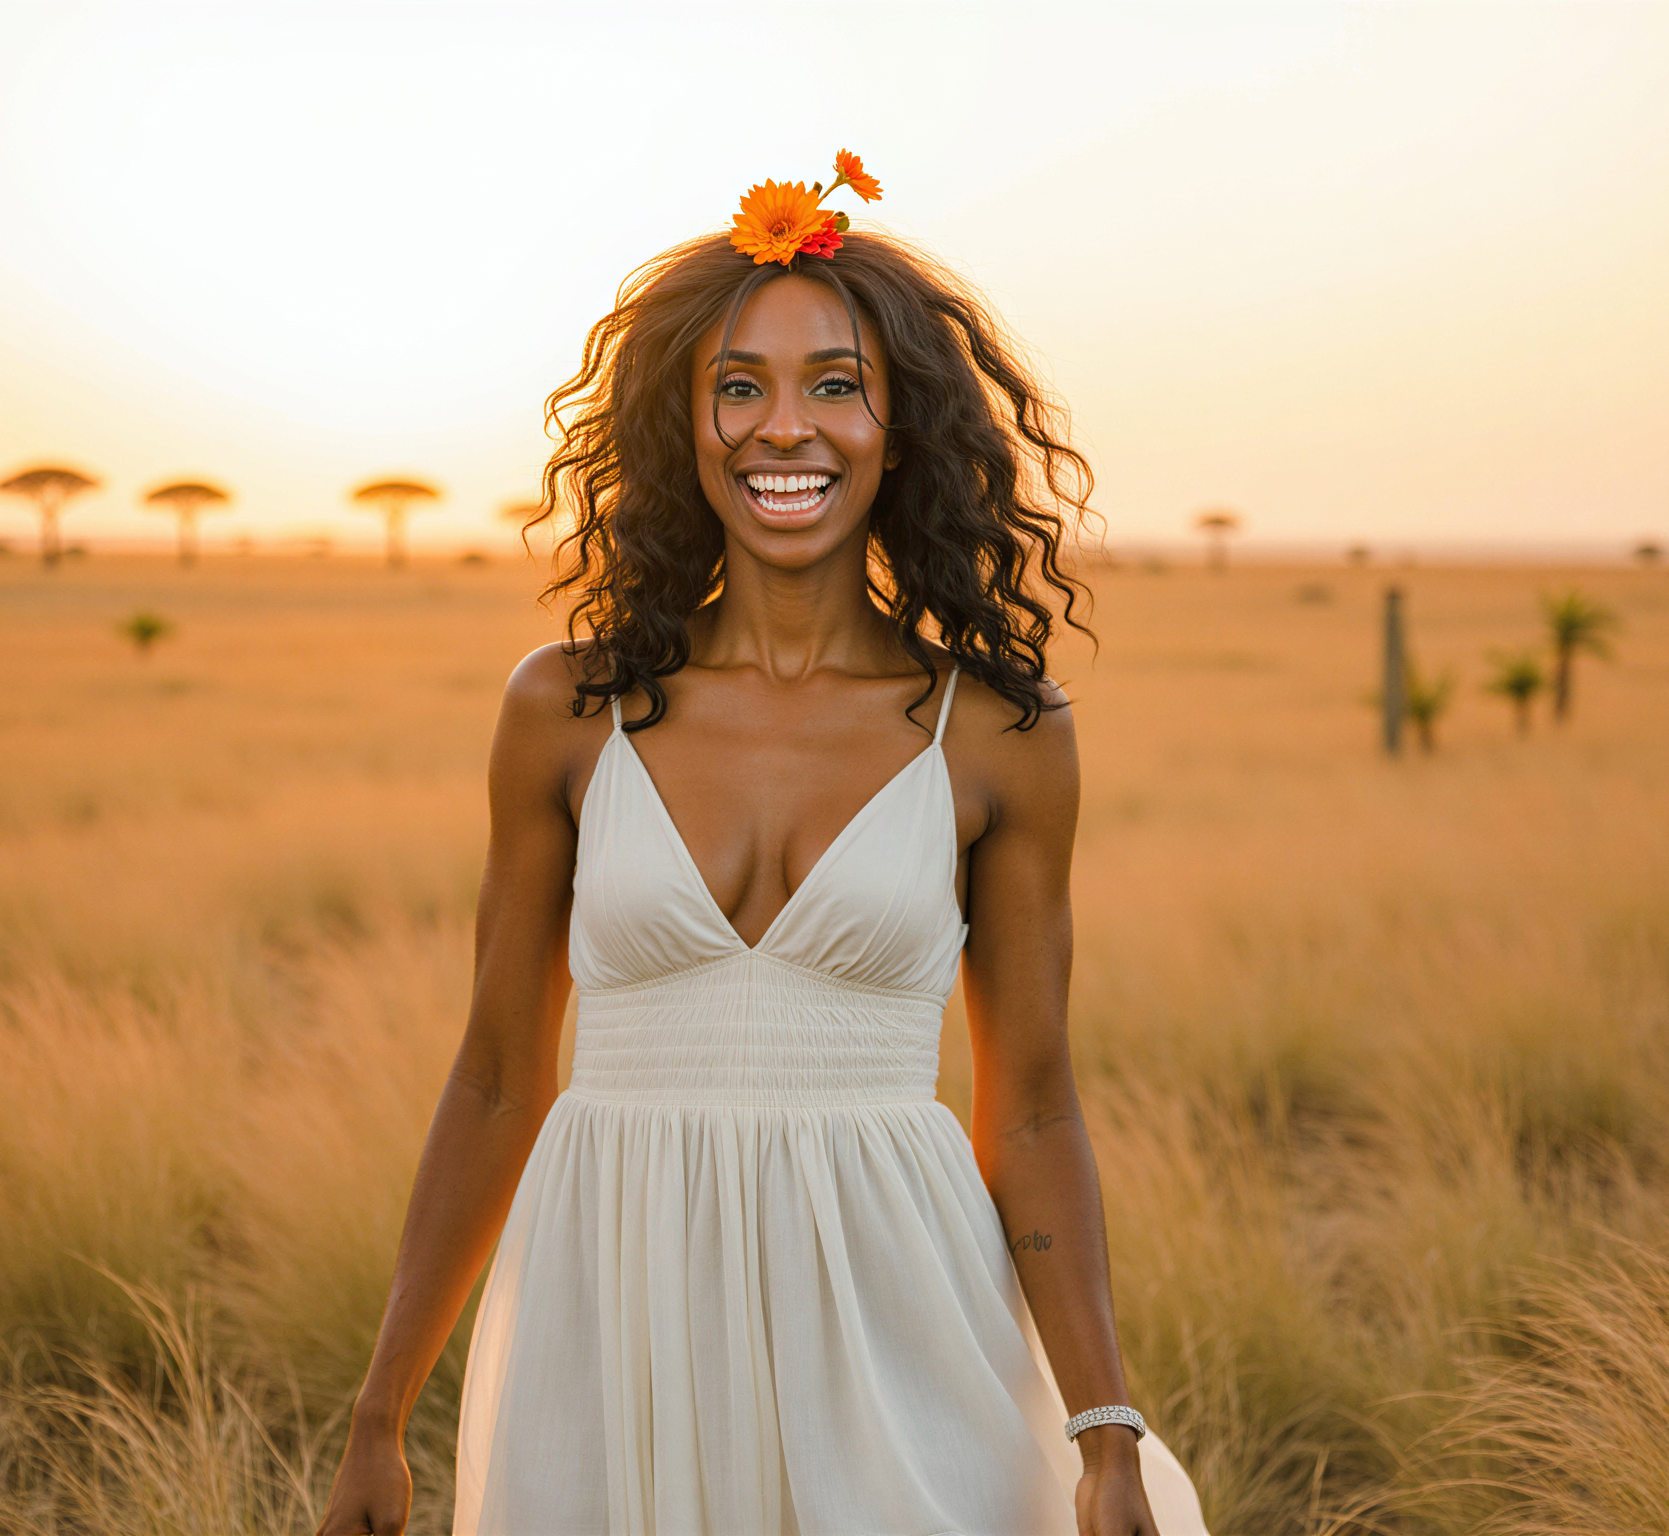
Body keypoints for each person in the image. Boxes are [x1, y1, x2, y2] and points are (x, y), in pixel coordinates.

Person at [318, 154, 1208, 1536]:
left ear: (898, 429)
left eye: (834, 385)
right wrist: (380, 1414)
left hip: (898, 1310)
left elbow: (1030, 1105)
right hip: (612, 1309)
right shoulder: (565, 709)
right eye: (738, 385)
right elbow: (498, 1077)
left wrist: (1101, 1429)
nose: (781, 428)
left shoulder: (998, 734)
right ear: (684, 424)